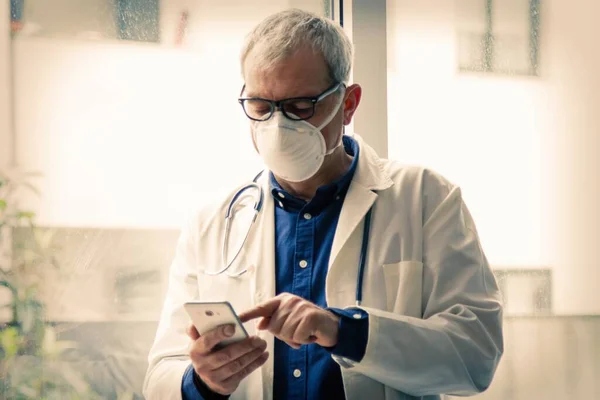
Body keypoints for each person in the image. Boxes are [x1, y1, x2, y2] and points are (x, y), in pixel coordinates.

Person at [143, 8, 503, 400]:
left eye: (300, 107)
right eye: (261, 107)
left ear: (348, 104)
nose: (278, 127)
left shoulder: (425, 198)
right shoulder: (212, 223)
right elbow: (161, 374)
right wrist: (202, 382)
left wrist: (344, 331)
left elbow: (475, 355)